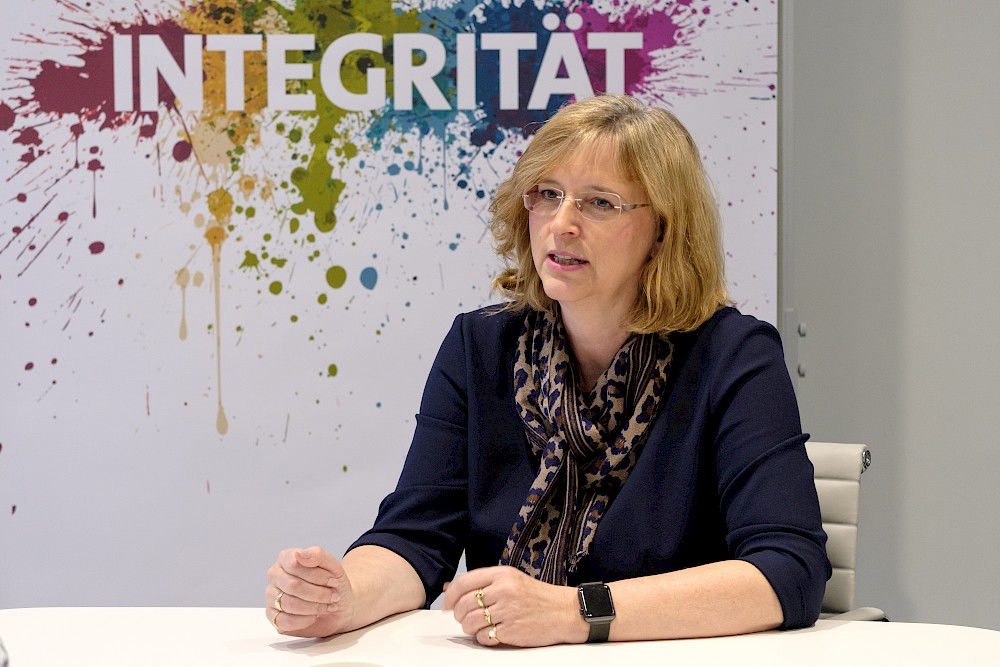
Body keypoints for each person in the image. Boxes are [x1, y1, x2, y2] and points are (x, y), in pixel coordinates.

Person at [265, 94, 830, 647]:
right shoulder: (481, 346)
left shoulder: (733, 356)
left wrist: (574, 612)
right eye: (548, 194)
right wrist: (344, 596)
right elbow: (413, 538)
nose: (562, 224)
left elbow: (788, 569)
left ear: (662, 229)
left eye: (600, 203)